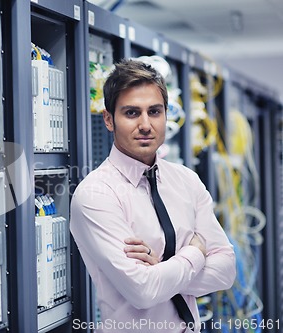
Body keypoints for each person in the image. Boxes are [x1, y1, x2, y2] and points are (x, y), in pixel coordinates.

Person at [70, 59, 236, 332]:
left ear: (166, 115)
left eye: (155, 111)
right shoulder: (95, 195)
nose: (146, 125)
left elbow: (226, 271)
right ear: (109, 119)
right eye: (132, 113)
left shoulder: (186, 180)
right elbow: (143, 290)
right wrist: (194, 253)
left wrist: (160, 268)